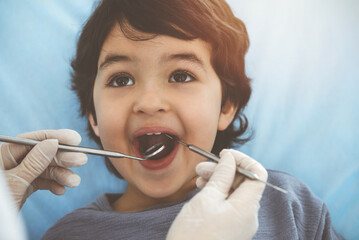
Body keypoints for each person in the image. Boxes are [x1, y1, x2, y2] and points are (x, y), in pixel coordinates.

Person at [1, 0, 343, 239]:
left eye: (181, 75)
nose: (149, 103)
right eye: (121, 79)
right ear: (93, 116)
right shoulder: (69, 236)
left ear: (227, 105)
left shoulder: (289, 204)